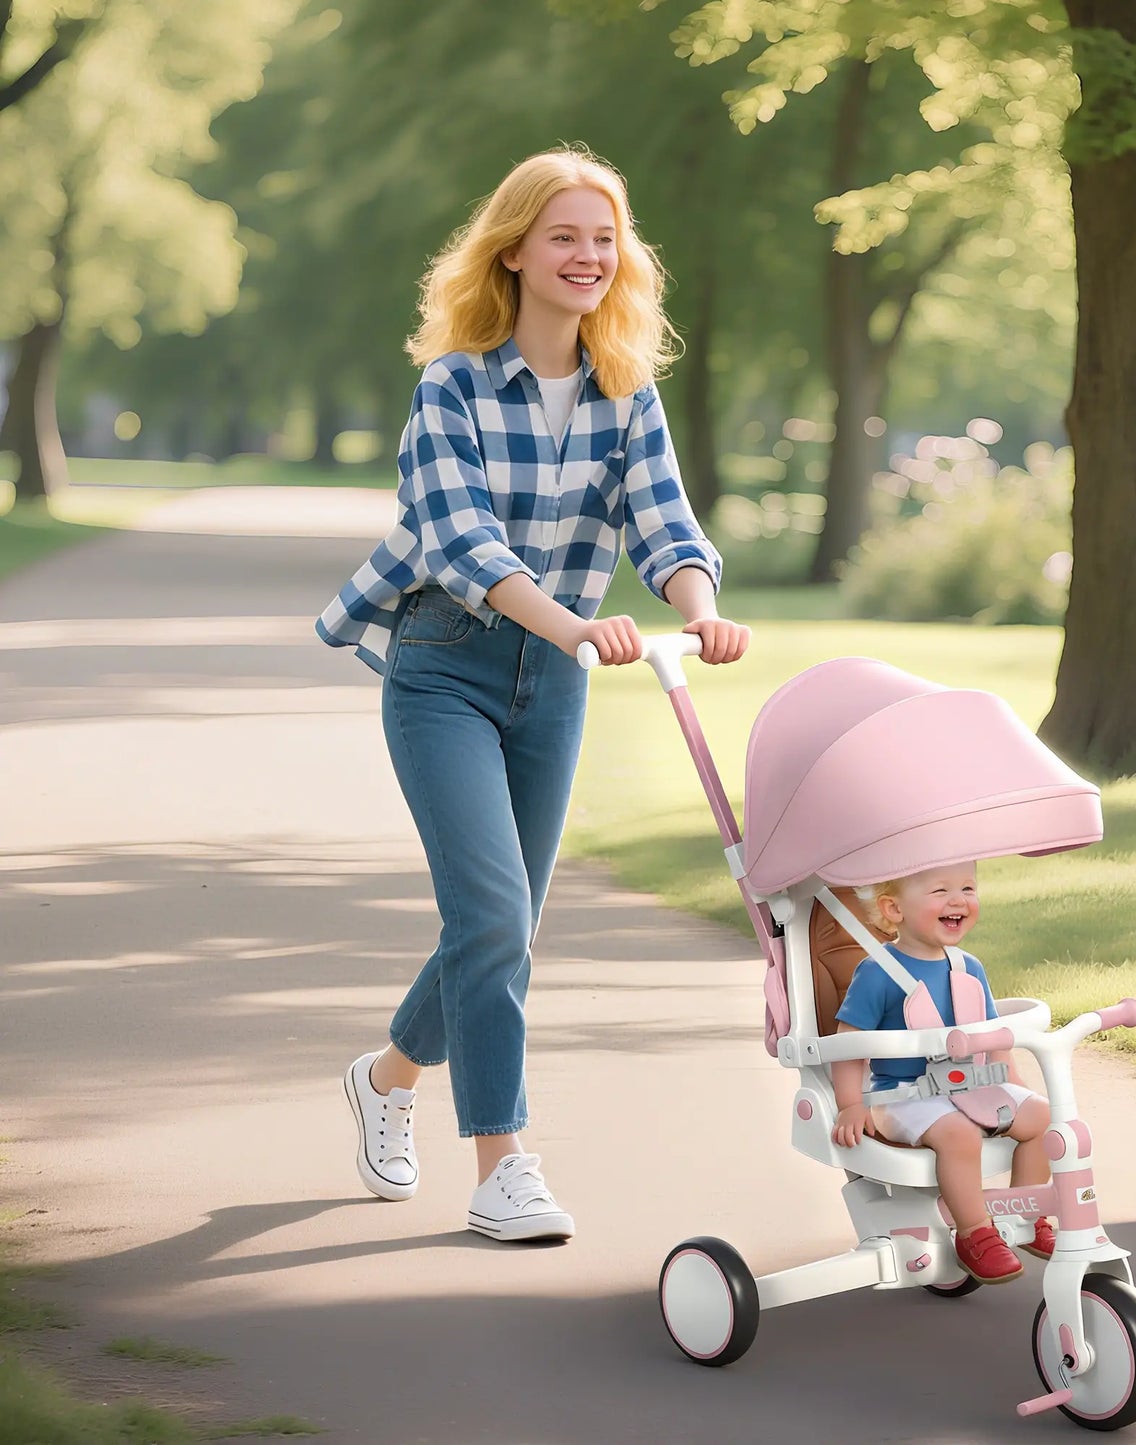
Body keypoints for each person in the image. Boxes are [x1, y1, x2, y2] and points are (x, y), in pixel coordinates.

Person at [317, 146, 750, 1243]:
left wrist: (697, 604)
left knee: (497, 925)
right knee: (496, 917)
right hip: (443, 665)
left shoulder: (623, 391)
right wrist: (573, 624)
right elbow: (459, 539)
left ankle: (386, 1073)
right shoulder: (451, 386)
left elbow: (663, 520)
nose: (587, 256)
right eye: (564, 235)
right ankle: (503, 1163)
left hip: (548, 685)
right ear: (512, 250)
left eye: (603, 238)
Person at [829, 862, 1054, 1283]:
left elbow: (993, 1038)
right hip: (902, 1097)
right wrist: (850, 1104)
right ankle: (975, 1233)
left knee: (1043, 1116)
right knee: (958, 1135)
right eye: (940, 891)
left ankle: (1024, 1215)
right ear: (893, 909)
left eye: (968, 887)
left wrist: (1013, 1083)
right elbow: (848, 1044)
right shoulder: (877, 972)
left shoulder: (969, 967)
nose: (958, 900)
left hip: (972, 1086)